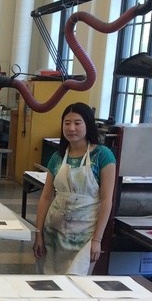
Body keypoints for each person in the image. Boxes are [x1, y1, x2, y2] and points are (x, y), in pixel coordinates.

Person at [32, 102, 116, 275]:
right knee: (49, 285)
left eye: (77, 123)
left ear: (88, 125)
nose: (71, 128)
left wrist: (97, 239)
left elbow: (107, 200)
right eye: (67, 123)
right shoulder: (57, 157)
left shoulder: (102, 155)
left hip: (84, 237)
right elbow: (46, 197)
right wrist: (38, 233)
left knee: (76, 286)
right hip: (53, 235)